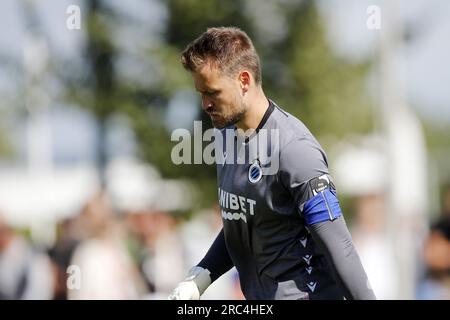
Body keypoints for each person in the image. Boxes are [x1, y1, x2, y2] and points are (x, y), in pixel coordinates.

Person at [169, 27, 376, 300]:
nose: (205, 104)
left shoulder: (294, 150)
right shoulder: (225, 135)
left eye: (213, 92)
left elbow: (339, 246)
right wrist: (200, 278)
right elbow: (241, 222)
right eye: (201, 93)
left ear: (244, 80)